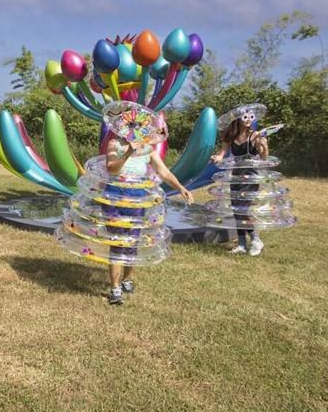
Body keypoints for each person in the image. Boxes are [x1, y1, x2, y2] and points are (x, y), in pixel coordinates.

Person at [104, 114, 194, 305]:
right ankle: (115, 288)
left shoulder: (148, 150)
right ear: (123, 126)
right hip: (116, 197)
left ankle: (126, 279)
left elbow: (164, 172)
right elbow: (112, 168)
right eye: (130, 125)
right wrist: (127, 152)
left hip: (138, 198)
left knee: (133, 241)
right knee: (118, 241)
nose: (134, 128)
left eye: (138, 125)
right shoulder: (114, 144)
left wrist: (181, 188)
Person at [210, 104, 269, 256]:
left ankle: (256, 240)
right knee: (236, 210)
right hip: (236, 175)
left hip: (250, 176)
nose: (249, 119)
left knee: (243, 209)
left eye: (251, 116)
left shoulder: (255, 135)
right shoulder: (231, 136)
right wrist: (217, 157)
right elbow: (222, 153)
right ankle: (242, 245)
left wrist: (264, 146)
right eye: (245, 116)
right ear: (238, 118)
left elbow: (264, 157)